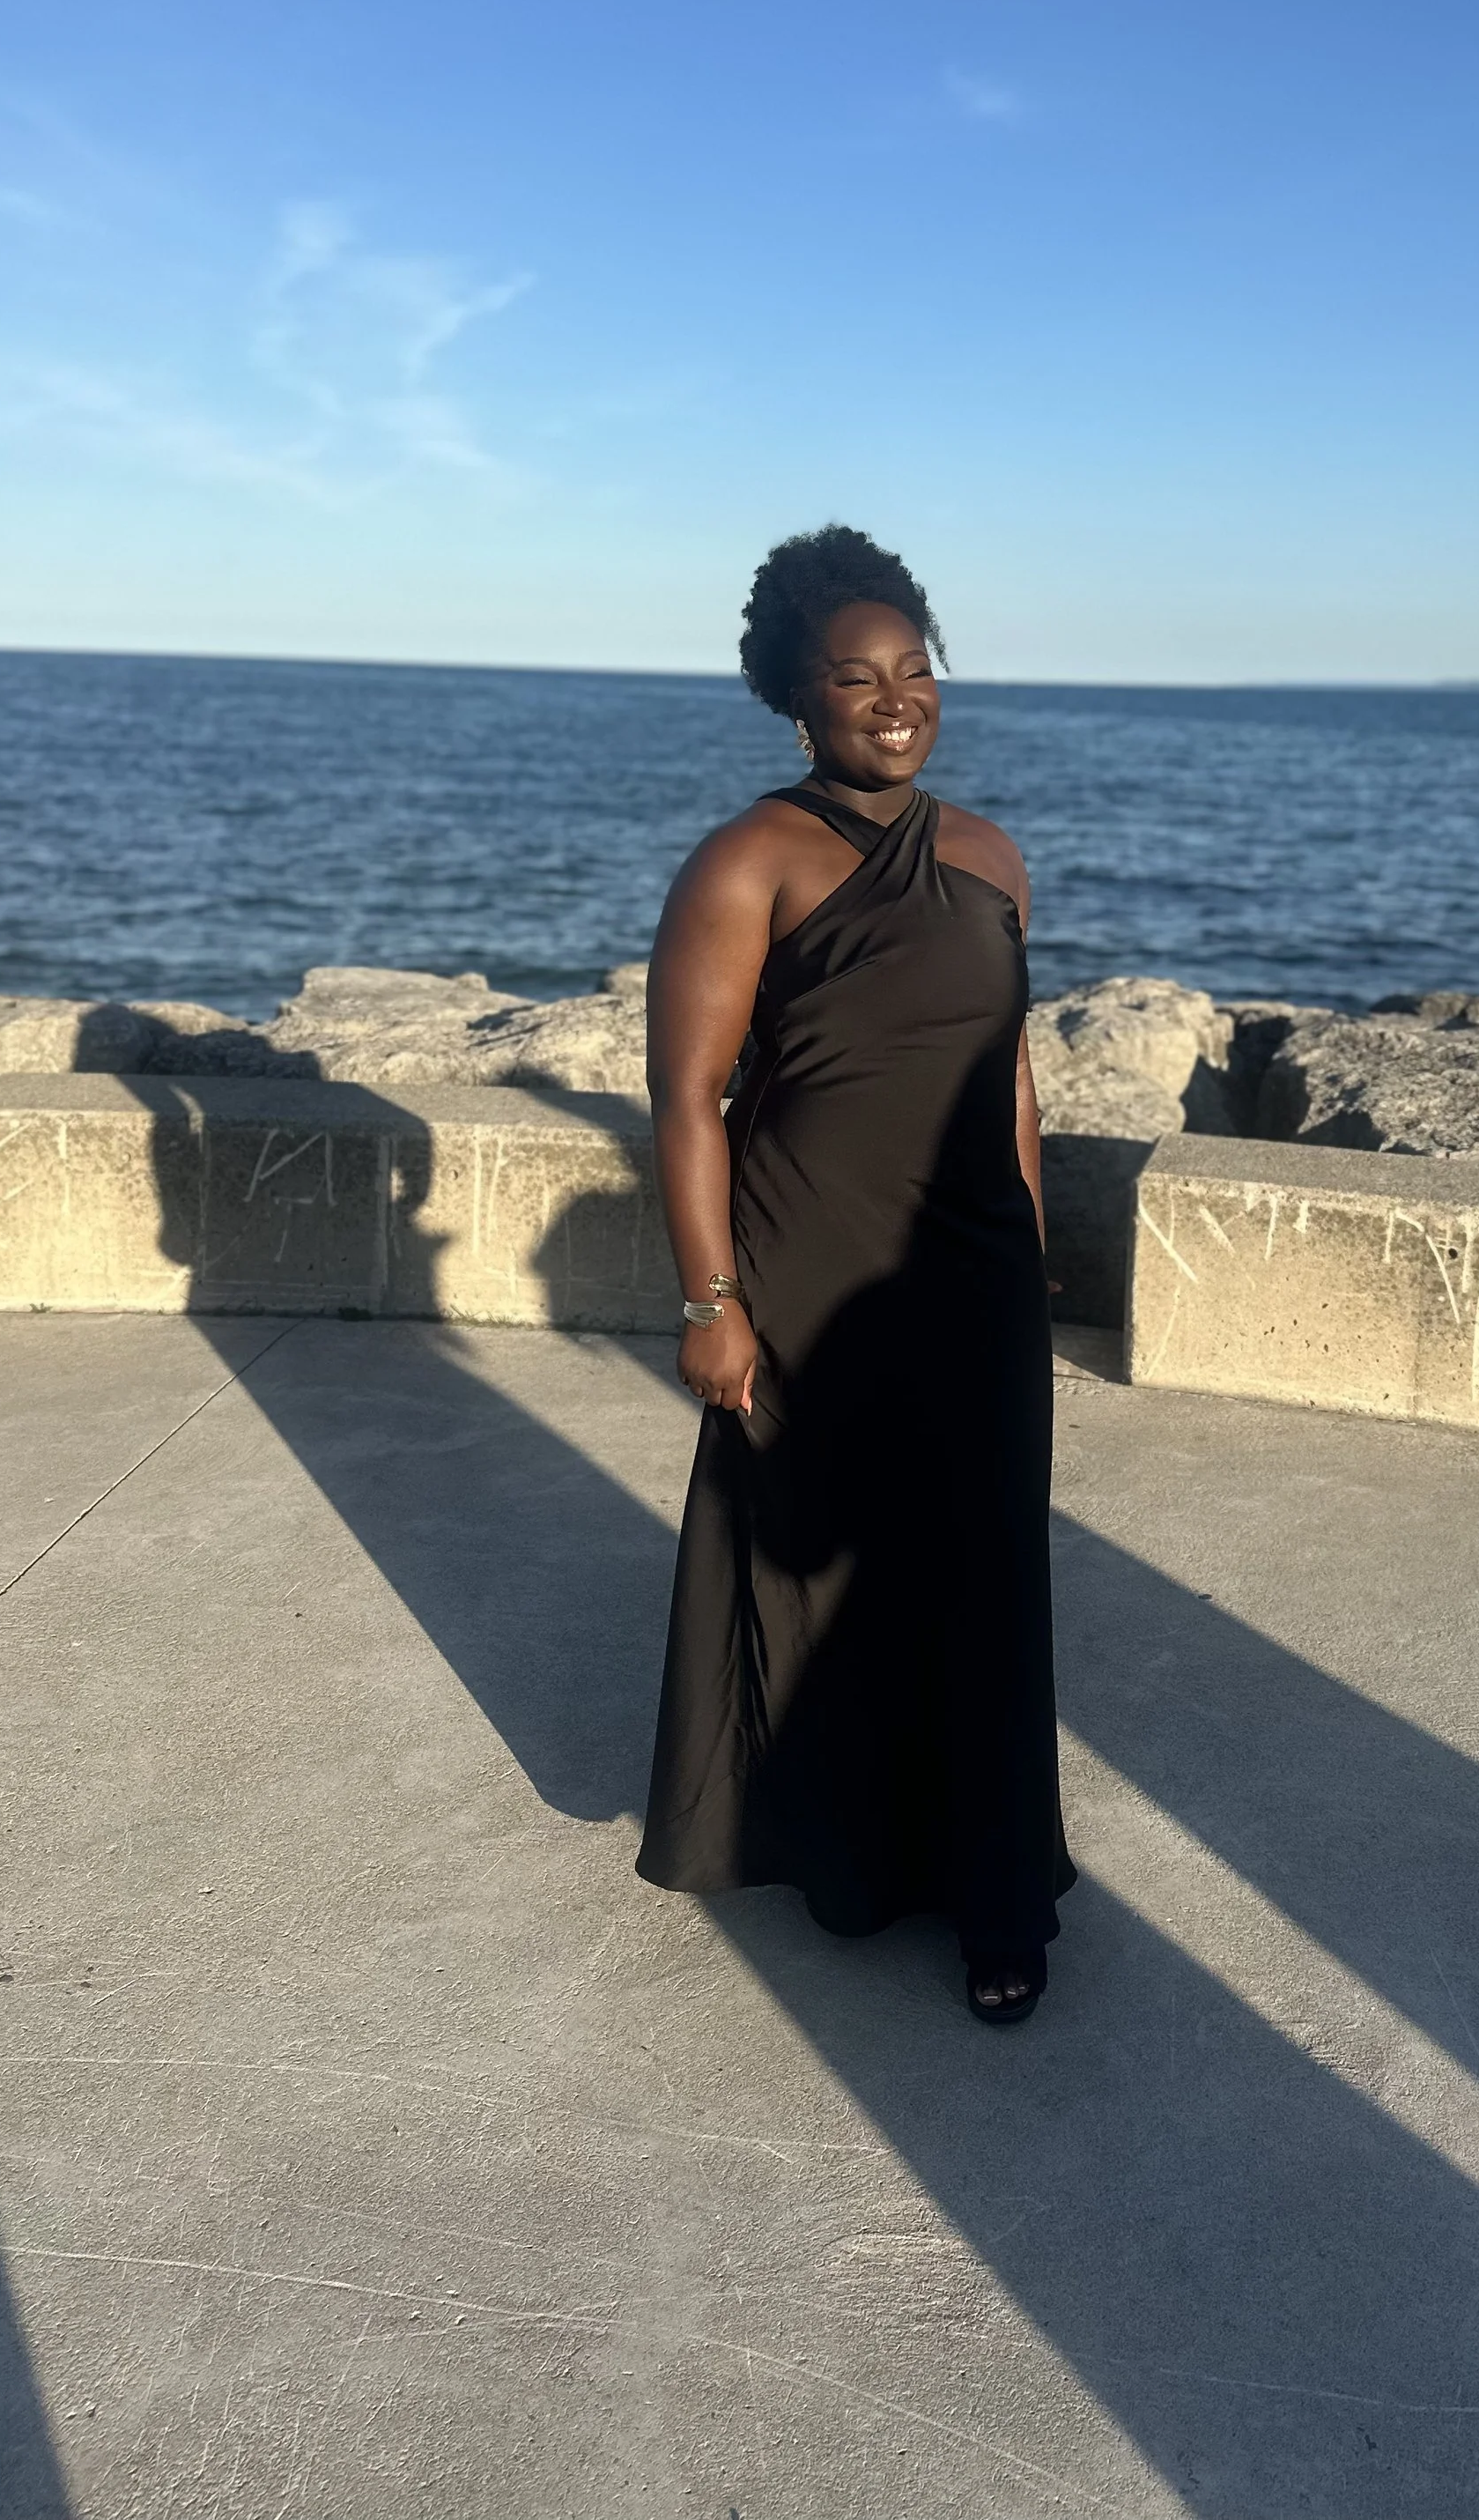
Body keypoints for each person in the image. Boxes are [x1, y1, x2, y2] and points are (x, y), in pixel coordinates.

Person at [635, 524, 1075, 2024]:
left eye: (915, 668)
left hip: (972, 1273)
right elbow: (687, 1096)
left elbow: (1009, 1077)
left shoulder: (992, 856)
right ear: (796, 698)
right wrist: (711, 1303)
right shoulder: (748, 860)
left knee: (985, 1575)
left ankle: (998, 1900)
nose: (896, 699)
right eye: (855, 677)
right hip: (810, 1261)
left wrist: (1028, 1250)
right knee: (822, 1574)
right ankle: (851, 1859)